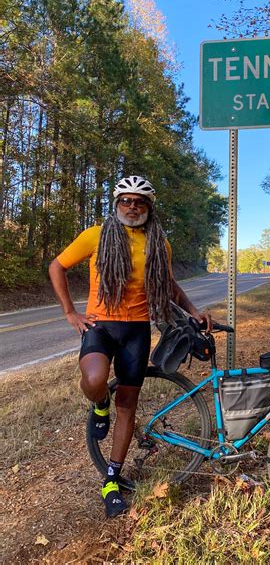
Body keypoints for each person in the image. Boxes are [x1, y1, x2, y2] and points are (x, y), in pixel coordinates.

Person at [49, 175, 211, 518]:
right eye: (126, 200)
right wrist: (70, 312)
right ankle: (99, 405)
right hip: (100, 325)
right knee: (94, 380)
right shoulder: (96, 235)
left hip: (136, 329)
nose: (132, 206)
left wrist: (194, 311)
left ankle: (111, 479)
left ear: (149, 208)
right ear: (116, 204)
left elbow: (168, 285)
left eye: (140, 201)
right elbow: (57, 266)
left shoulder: (158, 244)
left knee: (129, 405)